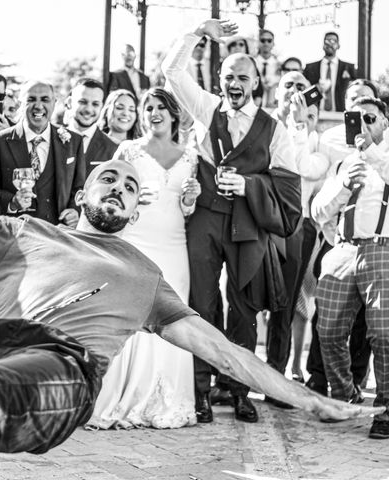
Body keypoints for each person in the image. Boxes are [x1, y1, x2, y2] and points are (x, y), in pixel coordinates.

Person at [0, 82, 382, 480]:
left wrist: (304, 397)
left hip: (61, 371)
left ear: (134, 209)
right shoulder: (24, 232)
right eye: (111, 179)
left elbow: (225, 352)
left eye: (130, 188)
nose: (120, 188)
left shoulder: (145, 276)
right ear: (87, 188)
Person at [163, 18, 302, 424]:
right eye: (228, 76)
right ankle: (202, 392)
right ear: (219, 80)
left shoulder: (275, 130)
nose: (234, 82)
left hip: (248, 226)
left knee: (243, 311)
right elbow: (172, 72)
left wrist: (249, 185)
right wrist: (197, 31)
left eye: (243, 76)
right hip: (205, 220)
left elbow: (291, 193)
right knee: (202, 307)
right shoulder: (206, 109)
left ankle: (240, 391)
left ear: (256, 83)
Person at [87, 87, 200, 429]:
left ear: (173, 113)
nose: (152, 113)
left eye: (160, 107)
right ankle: (125, 396)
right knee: (135, 315)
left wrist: (190, 201)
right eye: (147, 107)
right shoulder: (128, 150)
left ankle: (164, 399)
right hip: (138, 240)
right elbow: (113, 192)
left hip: (174, 243)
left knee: (173, 313)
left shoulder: (190, 156)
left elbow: (187, 209)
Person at [312, 95, 389, 439]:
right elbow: (319, 212)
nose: (364, 125)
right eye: (357, 119)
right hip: (342, 251)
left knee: (384, 335)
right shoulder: (345, 164)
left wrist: (371, 154)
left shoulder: (384, 158)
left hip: (382, 250)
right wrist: (343, 187)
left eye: (370, 118)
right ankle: (344, 394)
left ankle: (386, 408)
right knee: (327, 330)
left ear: (385, 123)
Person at [264, 72, 330, 407]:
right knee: (245, 301)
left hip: (296, 226)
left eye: (299, 85)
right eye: (288, 84)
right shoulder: (260, 123)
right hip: (257, 221)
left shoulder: (314, 137)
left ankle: (275, 379)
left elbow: (311, 172)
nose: (294, 90)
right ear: (276, 91)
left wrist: (302, 126)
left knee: (285, 305)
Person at [0, 79, 86, 227]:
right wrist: (12, 202)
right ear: (20, 104)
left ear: (54, 103)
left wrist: (75, 211)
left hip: (59, 234)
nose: (38, 106)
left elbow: (79, 187)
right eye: (31, 99)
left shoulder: (74, 141)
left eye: (45, 99)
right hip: (14, 234)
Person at [64, 78, 117, 175]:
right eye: (83, 102)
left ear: (102, 106)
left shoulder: (114, 148)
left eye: (95, 104)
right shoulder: (52, 140)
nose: (89, 109)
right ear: (70, 103)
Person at [304, 32, 356, 112]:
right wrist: (316, 88)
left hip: (341, 114)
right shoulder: (310, 68)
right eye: (327, 41)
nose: (329, 44)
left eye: (333, 41)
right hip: (315, 114)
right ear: (323, 46)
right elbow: (302, 91)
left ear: (338, 46)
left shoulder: (349, 68)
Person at [255, 29, 280, 109]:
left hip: (273, 106)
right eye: (263, 40)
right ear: (258, 43)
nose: (266, 43)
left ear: (273, 43)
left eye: (269, 40)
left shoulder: (280, 65)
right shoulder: (252, 63)